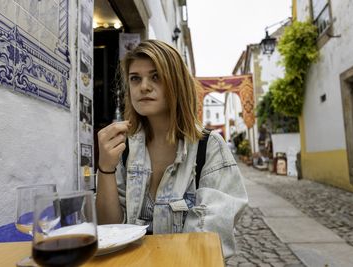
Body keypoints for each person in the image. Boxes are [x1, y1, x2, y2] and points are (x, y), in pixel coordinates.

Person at [96, 39, 248, 258]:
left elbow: (206, 242)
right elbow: (109, 231)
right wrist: (106, 168)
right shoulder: (124, 147)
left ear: (176, 82)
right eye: (135, 78)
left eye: (156, 76)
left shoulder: (208, 147)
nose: (144, 86)